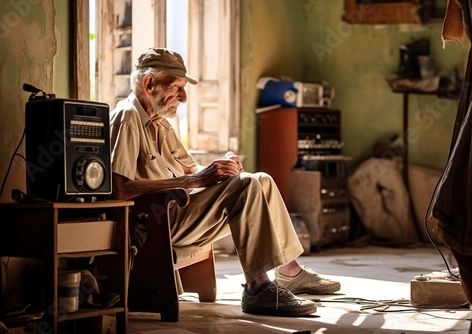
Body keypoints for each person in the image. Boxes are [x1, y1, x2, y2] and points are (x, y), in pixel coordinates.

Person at [109, 47, 340, 317]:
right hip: (155, 223)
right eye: (176, 87)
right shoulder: (127, 118)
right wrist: (197, 179)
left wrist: (224, 169)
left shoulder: (160, 124)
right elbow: (119, 189)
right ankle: (258, 289)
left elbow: (194, 171)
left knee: (261, 180)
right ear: (149, 84)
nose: (183, 97)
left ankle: (290, 271)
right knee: (247, 185)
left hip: (180, 215)